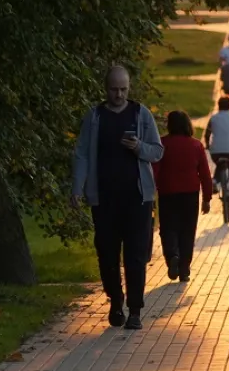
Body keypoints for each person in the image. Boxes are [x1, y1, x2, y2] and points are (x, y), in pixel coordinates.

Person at [70, 65, 164, 331]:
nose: (119, 94)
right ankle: (115, 299)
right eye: (114, 89)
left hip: (137, 199)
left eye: (123, 89)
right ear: (105, 88)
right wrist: (78, 187)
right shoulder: (95, 117)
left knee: (135, 255)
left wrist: (139, 148)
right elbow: (82, 154)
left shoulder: (140, 114)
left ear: (129, 88)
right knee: (107, 254)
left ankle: (135, 310)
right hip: (104, 199)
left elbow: (157, 151)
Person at [152, 111, 212, 283]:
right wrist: (207, 198)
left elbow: (155, 170)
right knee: (187, 231)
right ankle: (184, 268)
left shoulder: (162, 144)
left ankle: (172, 255)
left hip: (167, 193)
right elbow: (205, 174)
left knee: (168, 228)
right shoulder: (196, 145)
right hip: (190, 194)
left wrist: (150, 193)